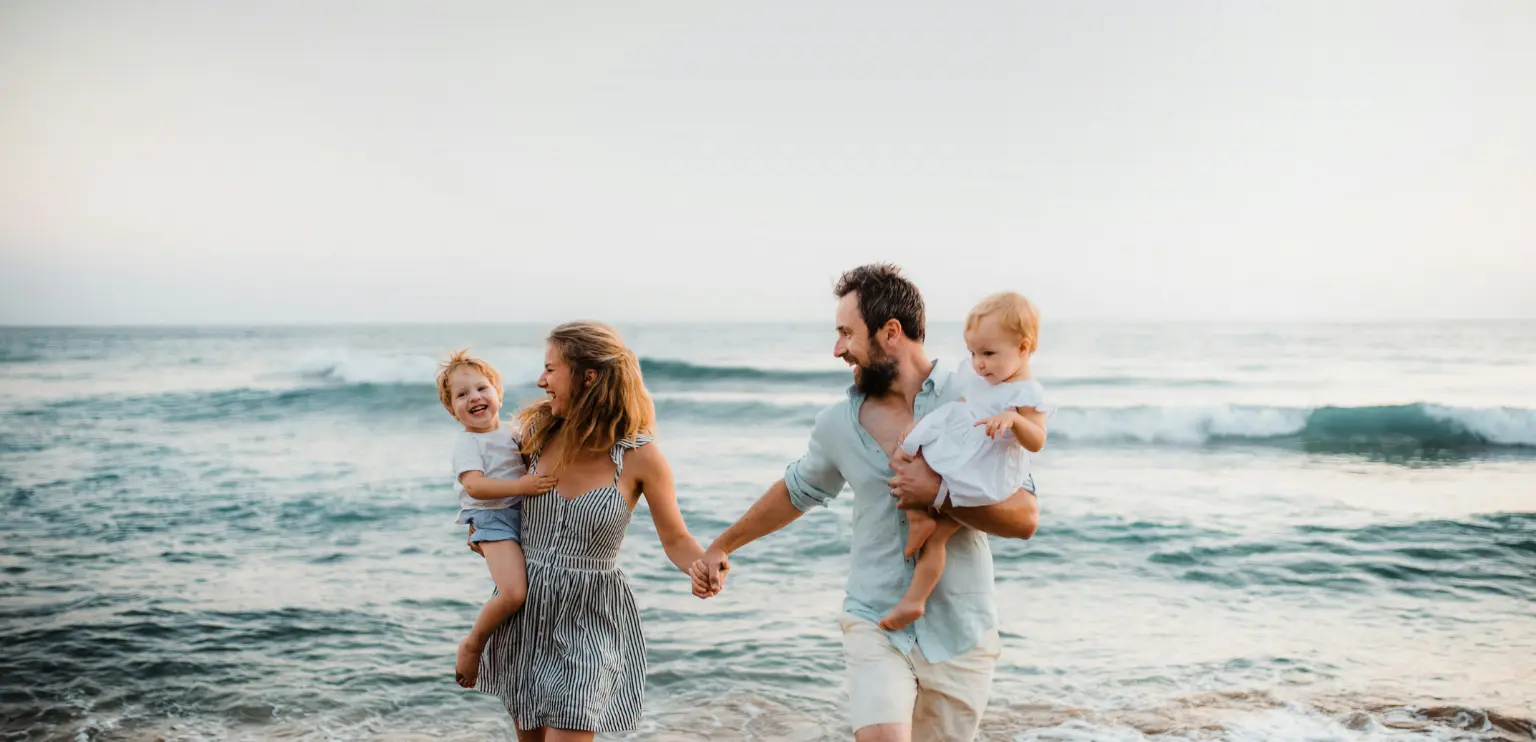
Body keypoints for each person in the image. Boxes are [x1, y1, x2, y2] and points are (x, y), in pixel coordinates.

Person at [690, 264, 1040, 742]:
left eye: (846, 333)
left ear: (890, 333)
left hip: (962, 629)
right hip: (873, 617)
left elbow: (1024, 517)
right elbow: (797, 490)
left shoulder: (977, 398)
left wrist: (938, 493)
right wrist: (722, 544)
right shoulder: (838, 423)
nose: (838, 348)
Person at [471, 321, 708, 742]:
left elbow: (675, 539)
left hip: (592, 616)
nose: (541, 381)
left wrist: (701, 565)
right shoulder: (534, 437)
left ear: (589, 376)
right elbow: (493, 503)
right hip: (528, 612)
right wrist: (486, 538)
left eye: (551, 369)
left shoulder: (641, 457)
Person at [881, 291, 1050, 631]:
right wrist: (930, 426)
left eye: (988, 353)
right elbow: (962, 407)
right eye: (973, 352)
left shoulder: (1027, 393)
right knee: (912, 464)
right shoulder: (981, 378)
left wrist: (1014, 420)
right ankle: (915, 593)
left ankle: (914, 594)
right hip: (967, 453)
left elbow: (1037, 441)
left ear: (1024, 348)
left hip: (988, 471)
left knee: (938, 526)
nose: (978, 363)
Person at [436, 349, 558, 688]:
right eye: (462, 395)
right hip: (492, 519)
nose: (474, 397)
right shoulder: (468, 443)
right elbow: (474, 485)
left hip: (521, 515)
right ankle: (473, 643)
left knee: (527, 593)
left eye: (481, 388)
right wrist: (520, 485)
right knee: (514, 593)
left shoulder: (513, 432)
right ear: (451, 410)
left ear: (498, 393)